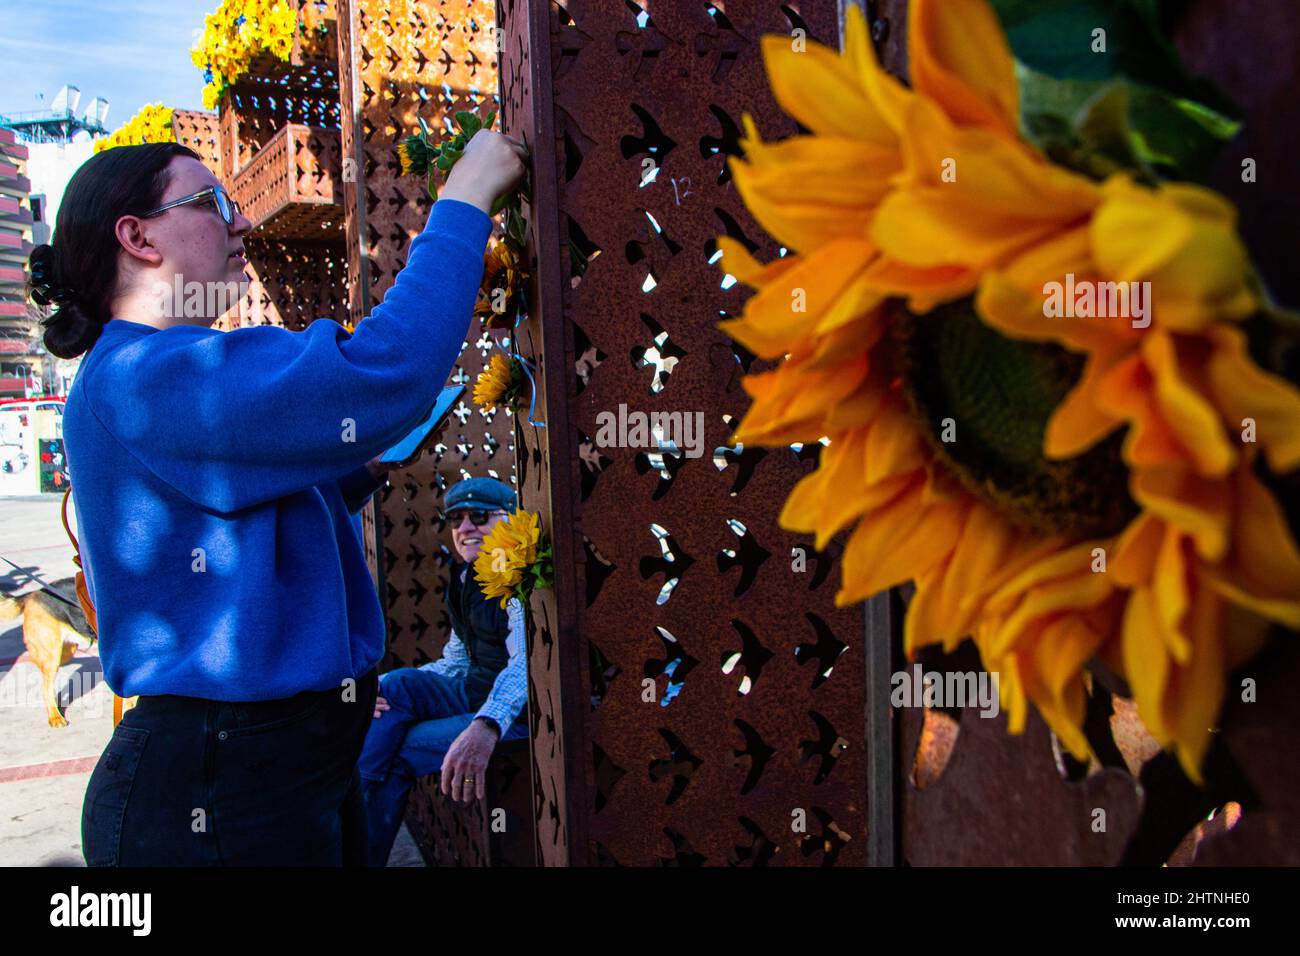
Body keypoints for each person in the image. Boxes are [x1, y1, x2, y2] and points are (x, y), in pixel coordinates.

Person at [46, 128, 528, 865]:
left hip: (261, 772)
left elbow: (237, 523)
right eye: (212, 202)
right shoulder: (149, 375)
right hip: (226, 787)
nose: (240, 221)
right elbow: (388, 366)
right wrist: (466, 196)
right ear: (138, 237)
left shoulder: (145, 372)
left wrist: (358, 471)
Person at [359, 476, 530, 866]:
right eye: (457, 520)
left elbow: (528, 665)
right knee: (395, 687)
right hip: (475, 689)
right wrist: (379, 687)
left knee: (396, 753)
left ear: (512, 520)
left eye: (480, 517)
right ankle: (353, 805)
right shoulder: (467, 577)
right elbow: (457, 660)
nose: (466, 528)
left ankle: (353, 827)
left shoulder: (520, 576)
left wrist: (487, 723)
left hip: (519, 713)